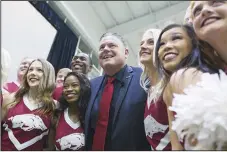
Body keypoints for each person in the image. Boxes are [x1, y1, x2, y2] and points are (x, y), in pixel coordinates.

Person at [154, 24, 221, 150]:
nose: (167, 46)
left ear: (193, 44)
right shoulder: (168, 90)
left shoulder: (187, 75)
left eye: (176, 38)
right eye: (161, 44)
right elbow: (176, 147)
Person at [84, 32, 150, 150]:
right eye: (101, 47)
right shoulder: (92, 85)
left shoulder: (143, 77)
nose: (105, 49)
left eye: (112, 45)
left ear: (126, 52)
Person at [1, 58, 56, 151]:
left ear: (48, 75)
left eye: (39, 70)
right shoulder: (9, 99)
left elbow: (50, 144)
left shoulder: (54, 106)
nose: (33, 73)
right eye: (30, 69)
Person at [139, 28, 172, 150]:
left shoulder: (170, 84)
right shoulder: (147, 90)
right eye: (141, 43)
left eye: (150, 42)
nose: (143, 46)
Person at [47, 72, 91, 151]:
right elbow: (50, 148)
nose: (69, 89)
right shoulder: (57, 115)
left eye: (74, 85)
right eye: (65, 87)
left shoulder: (91, 115)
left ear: (84, 88)